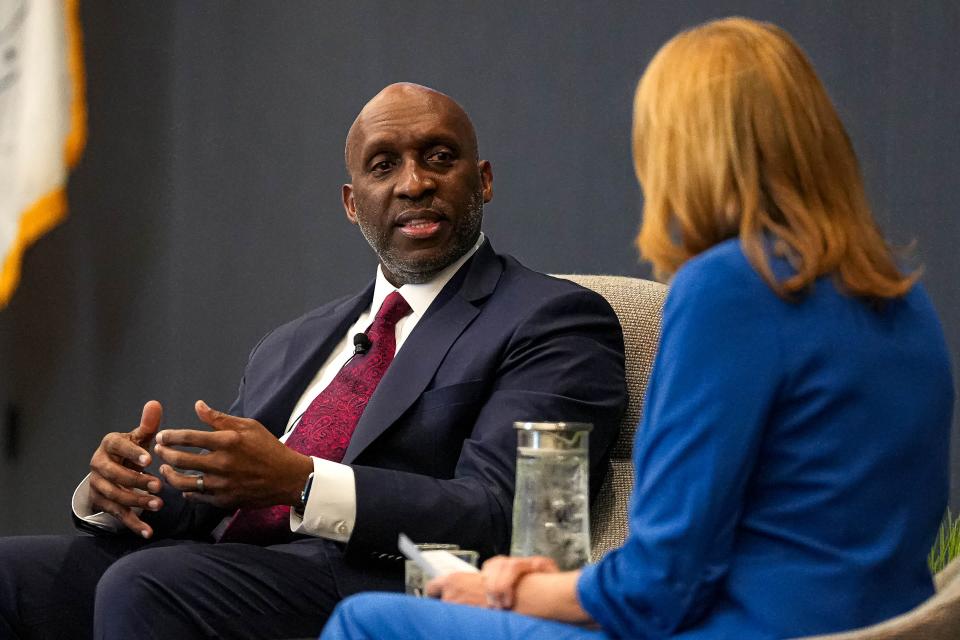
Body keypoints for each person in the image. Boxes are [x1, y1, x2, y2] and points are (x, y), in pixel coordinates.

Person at [319, 18, 955, 640]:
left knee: (365, 620)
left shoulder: (730, 287)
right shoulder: (900, 290)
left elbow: (658, 587)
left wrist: (505, 589)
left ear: (684, 150)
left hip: (745, 628)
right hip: (889, 622)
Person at [0, 83, 627, 639]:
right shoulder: (294, 342)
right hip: (221, 564)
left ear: (483, 180)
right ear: (353, 203)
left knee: (150, 583)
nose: (414, 183)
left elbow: (499, 511)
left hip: (380, 579)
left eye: (439, 157)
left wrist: (302, 482)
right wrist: (126, 491)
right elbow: (220, 495)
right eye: (385, 166)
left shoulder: (552, 317)